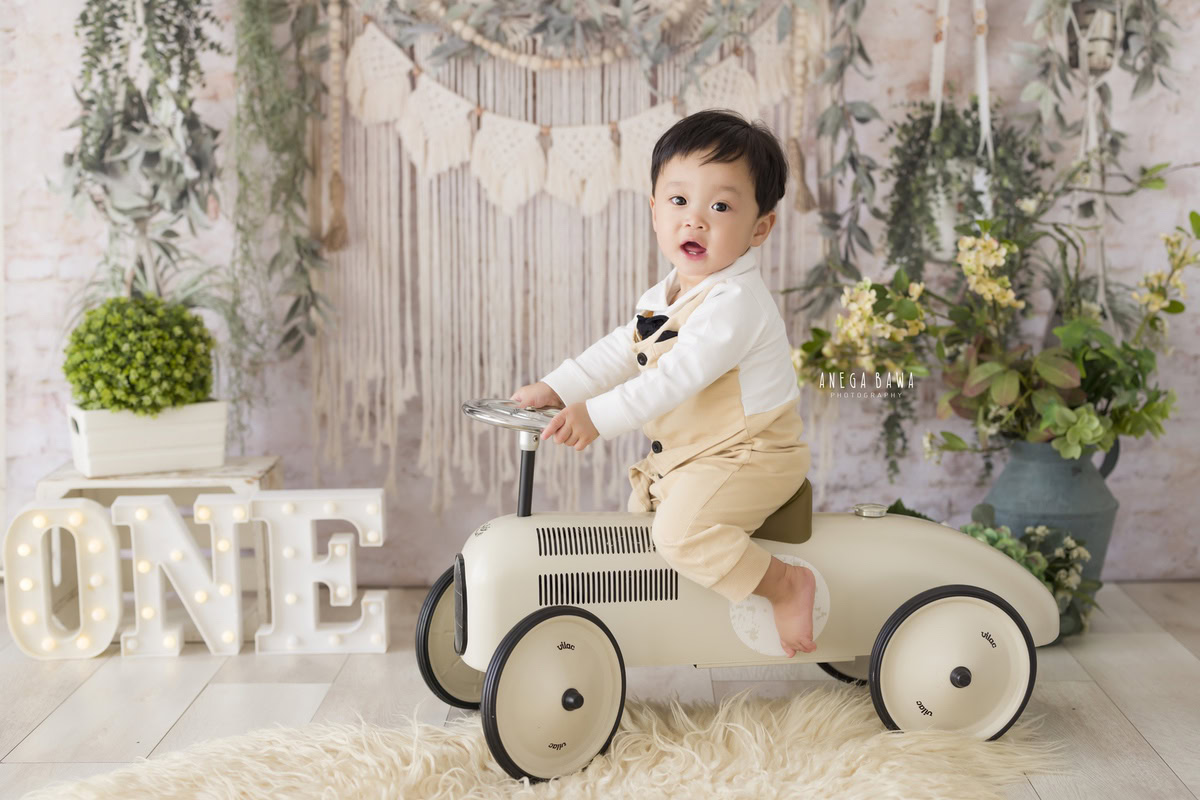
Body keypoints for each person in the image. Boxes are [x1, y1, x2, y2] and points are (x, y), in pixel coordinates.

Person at [510, 110, 816, 656]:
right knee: (639, 534)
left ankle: (785, 584)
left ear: (760, 228)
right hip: (691, 457)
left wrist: (596, 416)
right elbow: (623, 348)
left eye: (720, 207)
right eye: (679, 201)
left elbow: (675, 378)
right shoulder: (667, 293)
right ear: (654, 211)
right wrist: (558, 388)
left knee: (679, 534)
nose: (694, 221)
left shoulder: (736, 303)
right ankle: (668, 634)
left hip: (751, 454)